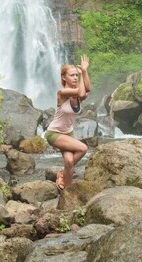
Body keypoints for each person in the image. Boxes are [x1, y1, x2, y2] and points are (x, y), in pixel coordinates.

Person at [44, 55, 90, 190]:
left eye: (77, 75)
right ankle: (62, 173)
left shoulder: (78, 95)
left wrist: (85, 71)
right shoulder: (62, 92)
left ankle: (67, 191)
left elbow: (87, 89)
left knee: (70, 161)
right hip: (54, 133)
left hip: (68, 133)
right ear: (64, 78)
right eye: (72, 75)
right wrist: (82, 75)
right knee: (83, 148)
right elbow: (82, 92)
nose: (75, 77)